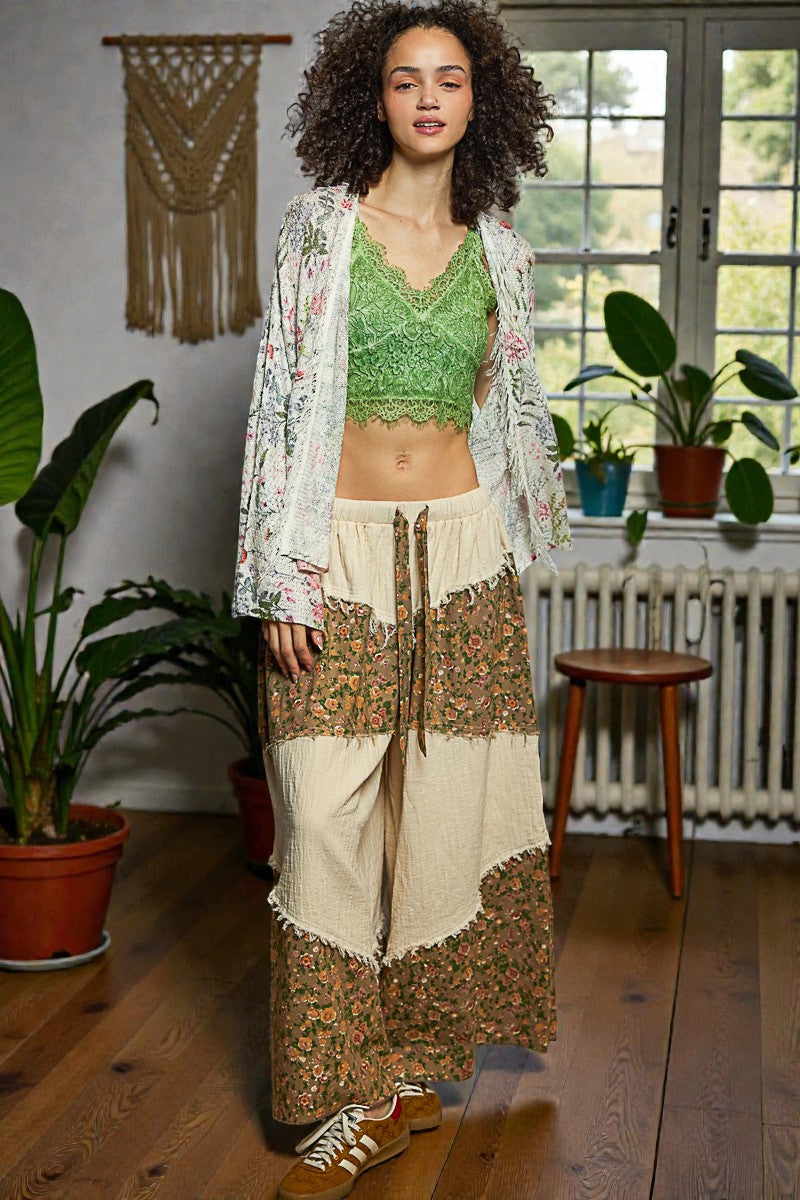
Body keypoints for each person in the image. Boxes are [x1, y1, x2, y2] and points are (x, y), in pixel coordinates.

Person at [232, 1, 571, 1195]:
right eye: (401, 80)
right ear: (367, 99)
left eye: (450, 79)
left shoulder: (502, 248)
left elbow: (511, 406)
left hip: (467, 552)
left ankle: (408, 1077)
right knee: (323, 815)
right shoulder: (318, 231)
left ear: (482, 102)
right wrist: (283, 571)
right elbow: (278, 407)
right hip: (339, 550)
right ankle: (339, 1084)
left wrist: (527, 534)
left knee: (443, 819)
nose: (426, 98)